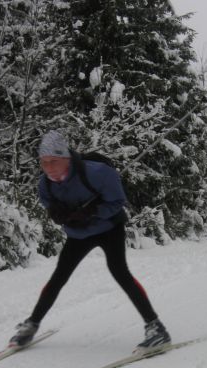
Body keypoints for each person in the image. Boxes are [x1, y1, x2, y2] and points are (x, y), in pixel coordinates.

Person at [10, 130, 170, 352]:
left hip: (109, 229)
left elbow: (117, 203)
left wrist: (93, 211)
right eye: (44, 163)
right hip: (78, 234)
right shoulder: (44, 184)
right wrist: (60, 215)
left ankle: (156, 328)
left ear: (66, 158)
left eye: (54, 161)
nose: (49, 168)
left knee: (120, 273)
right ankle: (31, 324)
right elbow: (50, 206)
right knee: (59, 277)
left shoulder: (99, 173)